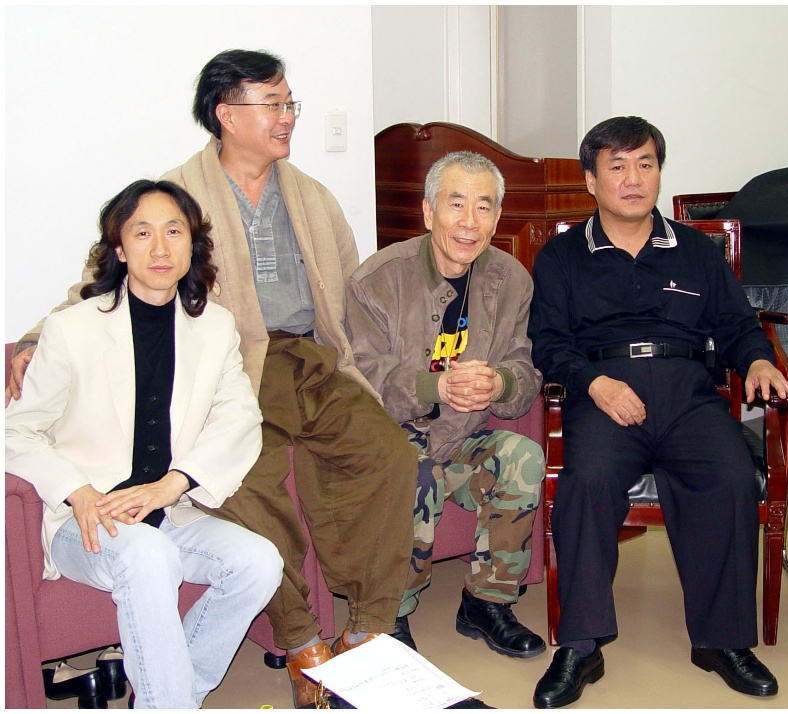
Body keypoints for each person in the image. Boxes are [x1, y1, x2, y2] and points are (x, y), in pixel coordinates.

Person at [6, 50, 417, 709]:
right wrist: (33, 339)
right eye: (273, 104)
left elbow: (349, 291)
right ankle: (301, 639)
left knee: (389, 454)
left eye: (289, 104)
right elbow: (108, 284)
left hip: (312, 358)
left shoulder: (311, 196)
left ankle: (369, 628)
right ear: (227, 114)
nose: (287, 117)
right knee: (247, 487)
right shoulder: (177, 194)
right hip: (242, 365)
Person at [527, 116, 788, 708]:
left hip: (687, 394)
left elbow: (736, 325)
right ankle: (581, 644)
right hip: (605, 394)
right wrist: (594, 383)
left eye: (645, 164)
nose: (633, 178)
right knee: (586, 482)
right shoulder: (562, 257)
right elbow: (549, 344)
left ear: (659, 173)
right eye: (617, 166)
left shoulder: (695, 251)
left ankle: (722, 642)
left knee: (729, 476)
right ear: (591, 180)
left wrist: (756, 361)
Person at [5, 180, 283, 709]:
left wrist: (171, 486)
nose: (160, 248)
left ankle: (165, 699)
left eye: (173, 232)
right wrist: (79, 493)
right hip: (87, 520)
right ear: (119, 249)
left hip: (166, 511)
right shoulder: (71, 330)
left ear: (191, 245)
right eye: (142, 233)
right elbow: (15, 431)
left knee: (258, 563)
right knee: (149, 556)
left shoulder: (215, 327)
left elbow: (240, 417)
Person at [343, 151, 546, 658]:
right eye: (456, 204)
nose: (469, 222)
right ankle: (391, 612)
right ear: (429, 211)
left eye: (484, 207)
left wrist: (499, 384)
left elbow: (524, 367)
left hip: (462, 435)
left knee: (522, 457)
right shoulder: (378, 280)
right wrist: (436, 388)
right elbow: (360, 376)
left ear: (497, 218)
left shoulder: (512, 280)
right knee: (416, 471)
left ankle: (487, 602)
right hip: (391, 439)